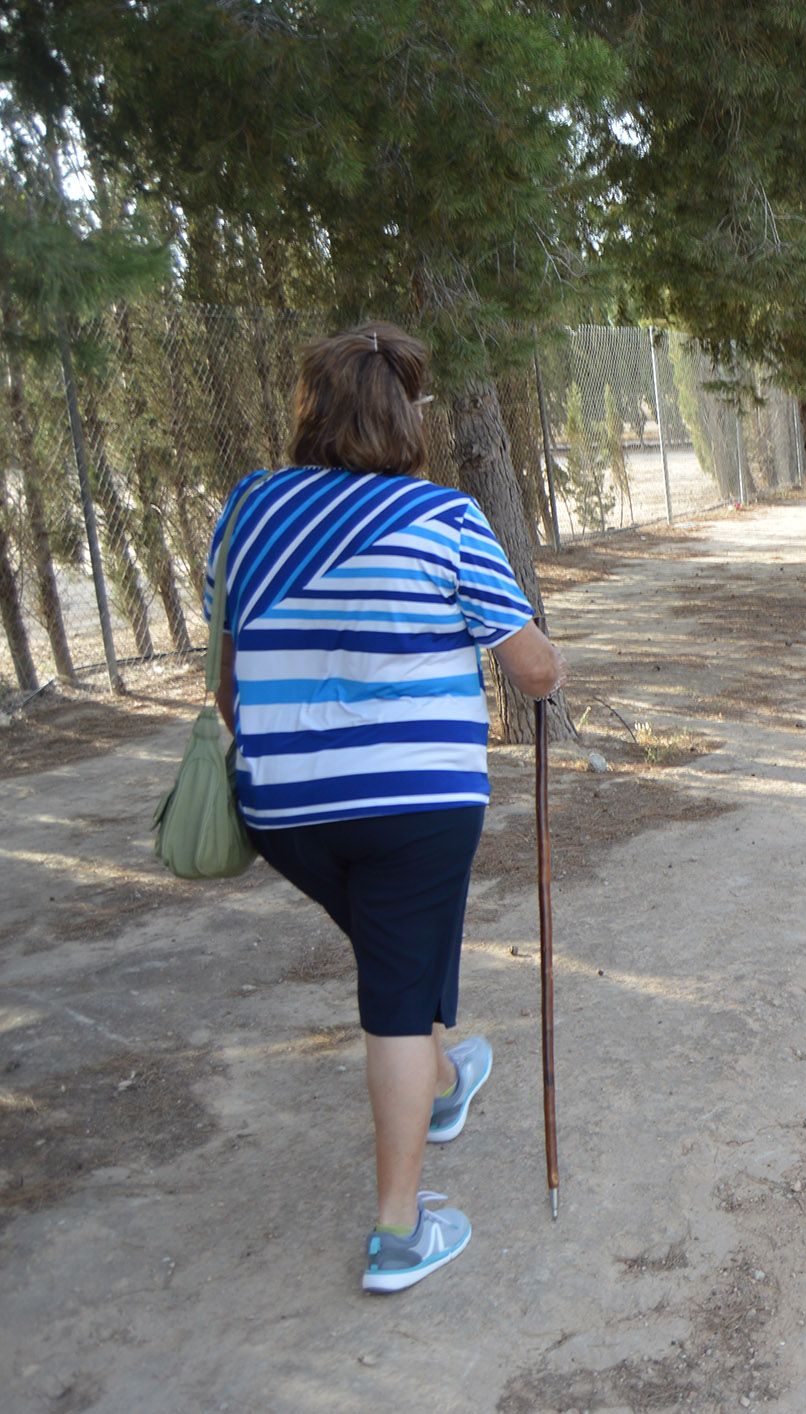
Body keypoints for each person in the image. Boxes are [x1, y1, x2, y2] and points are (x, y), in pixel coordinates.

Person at [203, 322, 568, 1293]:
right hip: (415, 800)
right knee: (397, 999)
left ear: (309, 412)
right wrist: (547, 659)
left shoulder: (247, 511)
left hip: (281, 807)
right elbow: (530, 666)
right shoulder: (440, 518)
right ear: (407, 418)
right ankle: (399, 1231)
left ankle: (445, 1080)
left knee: (391, 952)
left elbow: (228, 684)